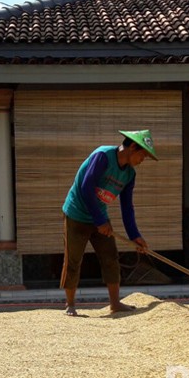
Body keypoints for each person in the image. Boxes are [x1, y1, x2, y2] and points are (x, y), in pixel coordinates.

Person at [61, 130, 157, 317]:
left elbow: (127, 207)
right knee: (73, 259)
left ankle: (115, 303)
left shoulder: (129, 174)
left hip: (100, 217)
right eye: (142, 154)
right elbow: (86, 187)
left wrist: (135, 236)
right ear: (132, 147)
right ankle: (70, 305)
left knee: (111, 258)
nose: (142, 159)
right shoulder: (103, 156)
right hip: (76, 214)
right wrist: (99, 220)